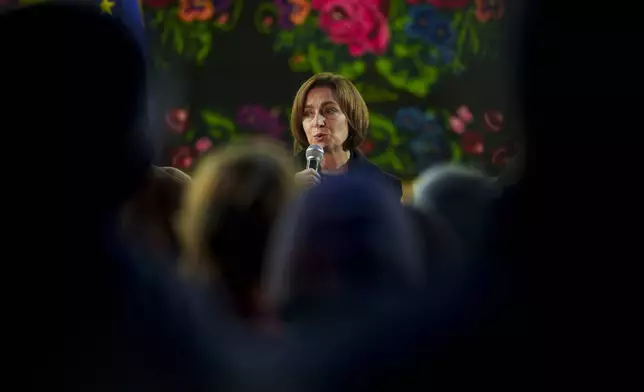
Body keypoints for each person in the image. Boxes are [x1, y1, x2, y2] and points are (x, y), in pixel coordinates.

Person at [290, 72, 402, 200]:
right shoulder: (280, 182)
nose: (317, 122)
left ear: (351, 118)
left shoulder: (383, 186)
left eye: (330, 110)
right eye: (308, 113)